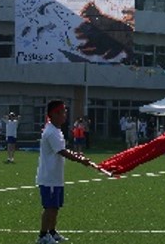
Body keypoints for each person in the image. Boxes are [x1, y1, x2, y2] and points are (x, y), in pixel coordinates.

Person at [37, 99, 106, 244]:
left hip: (56, 176)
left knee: (55, 207)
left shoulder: (56, 130)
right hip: (49, 177)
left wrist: (78, 155)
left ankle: (52, 232)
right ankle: (43, 235)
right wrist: (80, 160)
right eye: (63, 112)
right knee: (49, 207)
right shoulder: (51, 132)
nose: (65, 114)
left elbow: (63, 150)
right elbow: (62, 151)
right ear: (55, 114)